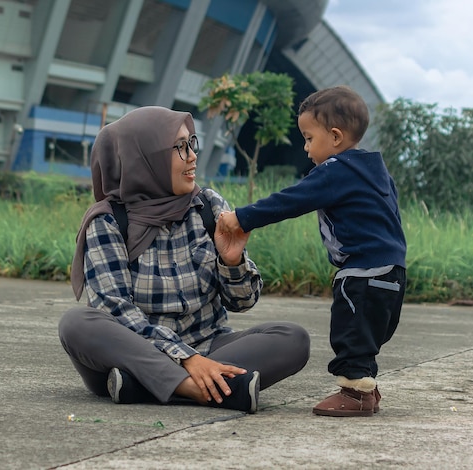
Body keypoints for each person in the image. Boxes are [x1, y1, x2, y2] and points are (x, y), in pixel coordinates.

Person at [58, 106, 310, 414]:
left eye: (191, 143)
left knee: (292, 337)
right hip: (135, 352)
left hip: (209, 344)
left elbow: (242, 303)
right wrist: (186, 358)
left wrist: (232, 262)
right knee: (77, 323)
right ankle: (198, 387)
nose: (192, 156)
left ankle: (146, 387)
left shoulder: (207, 206)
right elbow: (117, 310)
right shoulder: (109, 221)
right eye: (178, 147)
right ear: (144, 157)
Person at [218, 86, 407, 417]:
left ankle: (355, 393)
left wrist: (240, 218)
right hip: (393, 271)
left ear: (335, 137)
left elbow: (290, 200)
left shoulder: (336, 170)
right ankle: (367, 388)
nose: (305, 148)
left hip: (361, 272)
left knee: (350, 330)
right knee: (366, 333)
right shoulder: (377, 171)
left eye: (308, 138)